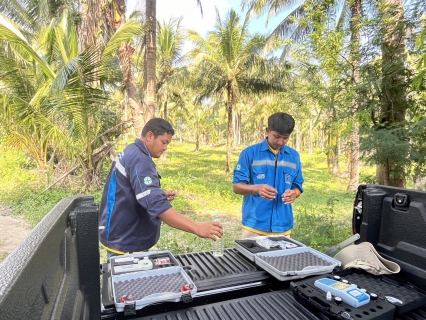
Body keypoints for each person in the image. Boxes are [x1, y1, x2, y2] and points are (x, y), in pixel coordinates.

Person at [99, 118, 223, 256]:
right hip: (126, 243)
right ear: (150, 135)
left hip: (119, 234)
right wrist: (197, 227)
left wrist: (158, 194)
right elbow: (156, 205)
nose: (165, 148)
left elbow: (131, 188)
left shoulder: (132, 151)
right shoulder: (140, 159)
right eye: (164, 142)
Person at [232, 112, 304, 239]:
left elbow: (297, 186)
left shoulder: (294, 156)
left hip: (283, 227)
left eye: (285, 138)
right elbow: (237, 187)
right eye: (276, 136)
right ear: (267, 131)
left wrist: (294, 193)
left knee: (281, 259)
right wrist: (257, 188)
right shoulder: (250, 153)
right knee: (248, 259)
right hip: (254, 227)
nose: (281, 142)